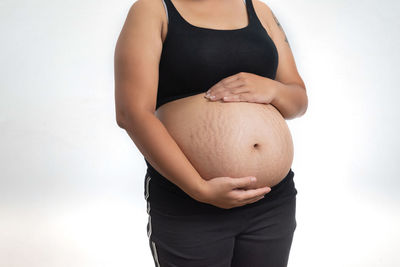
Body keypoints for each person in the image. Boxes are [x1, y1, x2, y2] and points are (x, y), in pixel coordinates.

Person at [114, 0, 308, 266]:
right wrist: (200, 189)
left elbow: (298, 101)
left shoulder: (260, 10)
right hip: (189, 203)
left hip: (271, 202)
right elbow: (132, 114)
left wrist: (273, 89)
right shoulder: (153, 9)